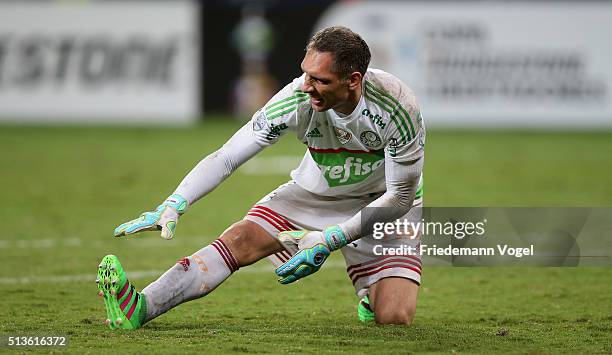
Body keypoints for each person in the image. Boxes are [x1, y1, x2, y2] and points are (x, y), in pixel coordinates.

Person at [97, 26, 425, 329]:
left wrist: (331, 238)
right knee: (240, 239)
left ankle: (369, 292)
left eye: (320, 80)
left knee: (393, 318)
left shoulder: (396, 107)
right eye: (305, 73)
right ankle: (141, 307)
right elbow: (227, 156)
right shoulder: (296, 98)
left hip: (383, 204)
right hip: (316, 194)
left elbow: (400, 197)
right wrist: (175, 202)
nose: (307, 86)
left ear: (353, 80)